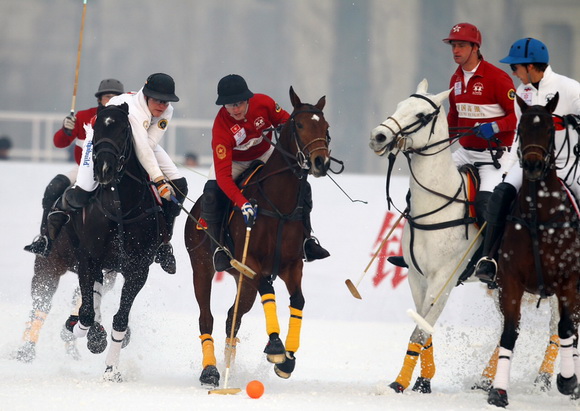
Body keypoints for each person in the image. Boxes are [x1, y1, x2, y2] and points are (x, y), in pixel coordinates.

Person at [388, 23, 517, 270]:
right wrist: (435, 141)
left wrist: (495, 127)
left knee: (485, 204)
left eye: (461, 45)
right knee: (419, 186)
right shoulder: (456, 78)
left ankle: (489, 258)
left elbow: (517, 117)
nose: (455, 50)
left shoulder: (497, 78)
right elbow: (454, 119)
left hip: (495, 156)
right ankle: (413, 251)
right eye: (453, 45)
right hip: (466, 151)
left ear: (475, 47)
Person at [47, 73, 188, 275]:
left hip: (140, 143)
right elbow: (140, 145)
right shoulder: (131, 108)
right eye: (157, 100)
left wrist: (163, 181)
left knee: (180, 184)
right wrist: (158, 179)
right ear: (146, 96)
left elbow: (148, 143)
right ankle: (58, 213)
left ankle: (164, 242)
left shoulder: (167, 111)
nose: (162, 105)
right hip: (101, 141)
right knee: (83, 190)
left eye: (166, 101)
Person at [475, 37, 580, 284]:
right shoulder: (522, 93)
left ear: (531, 66)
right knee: (501, 195)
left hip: (567, 167)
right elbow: (517, 138)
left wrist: (570, 121)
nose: (513, 73)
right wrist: (508, 168)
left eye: (515, 67)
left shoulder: (569, 88)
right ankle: (490, 259)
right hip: (528, 166)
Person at [200, 74, 329, 272]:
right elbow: (225, 178)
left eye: (240, 103)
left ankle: (306, 240)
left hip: (265, 153)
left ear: (248, 99)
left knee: (302, 185)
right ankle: (219, 248)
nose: (236, 109)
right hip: (235, 162)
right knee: (210, 195)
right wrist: (242, 203)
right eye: (229, 105)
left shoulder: (264, 103)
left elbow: (290, 123)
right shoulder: (221, 128)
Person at [24, 79, 125, 257]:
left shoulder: (125, 118)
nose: (110, 100)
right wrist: (66, 130)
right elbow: (59, 143)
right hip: (83, 169)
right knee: (53, 188)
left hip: (114, 171)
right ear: (99, 99)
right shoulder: (84, 116)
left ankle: (159, 243)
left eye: (116, 97)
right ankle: (45, 239)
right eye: (107, 96)